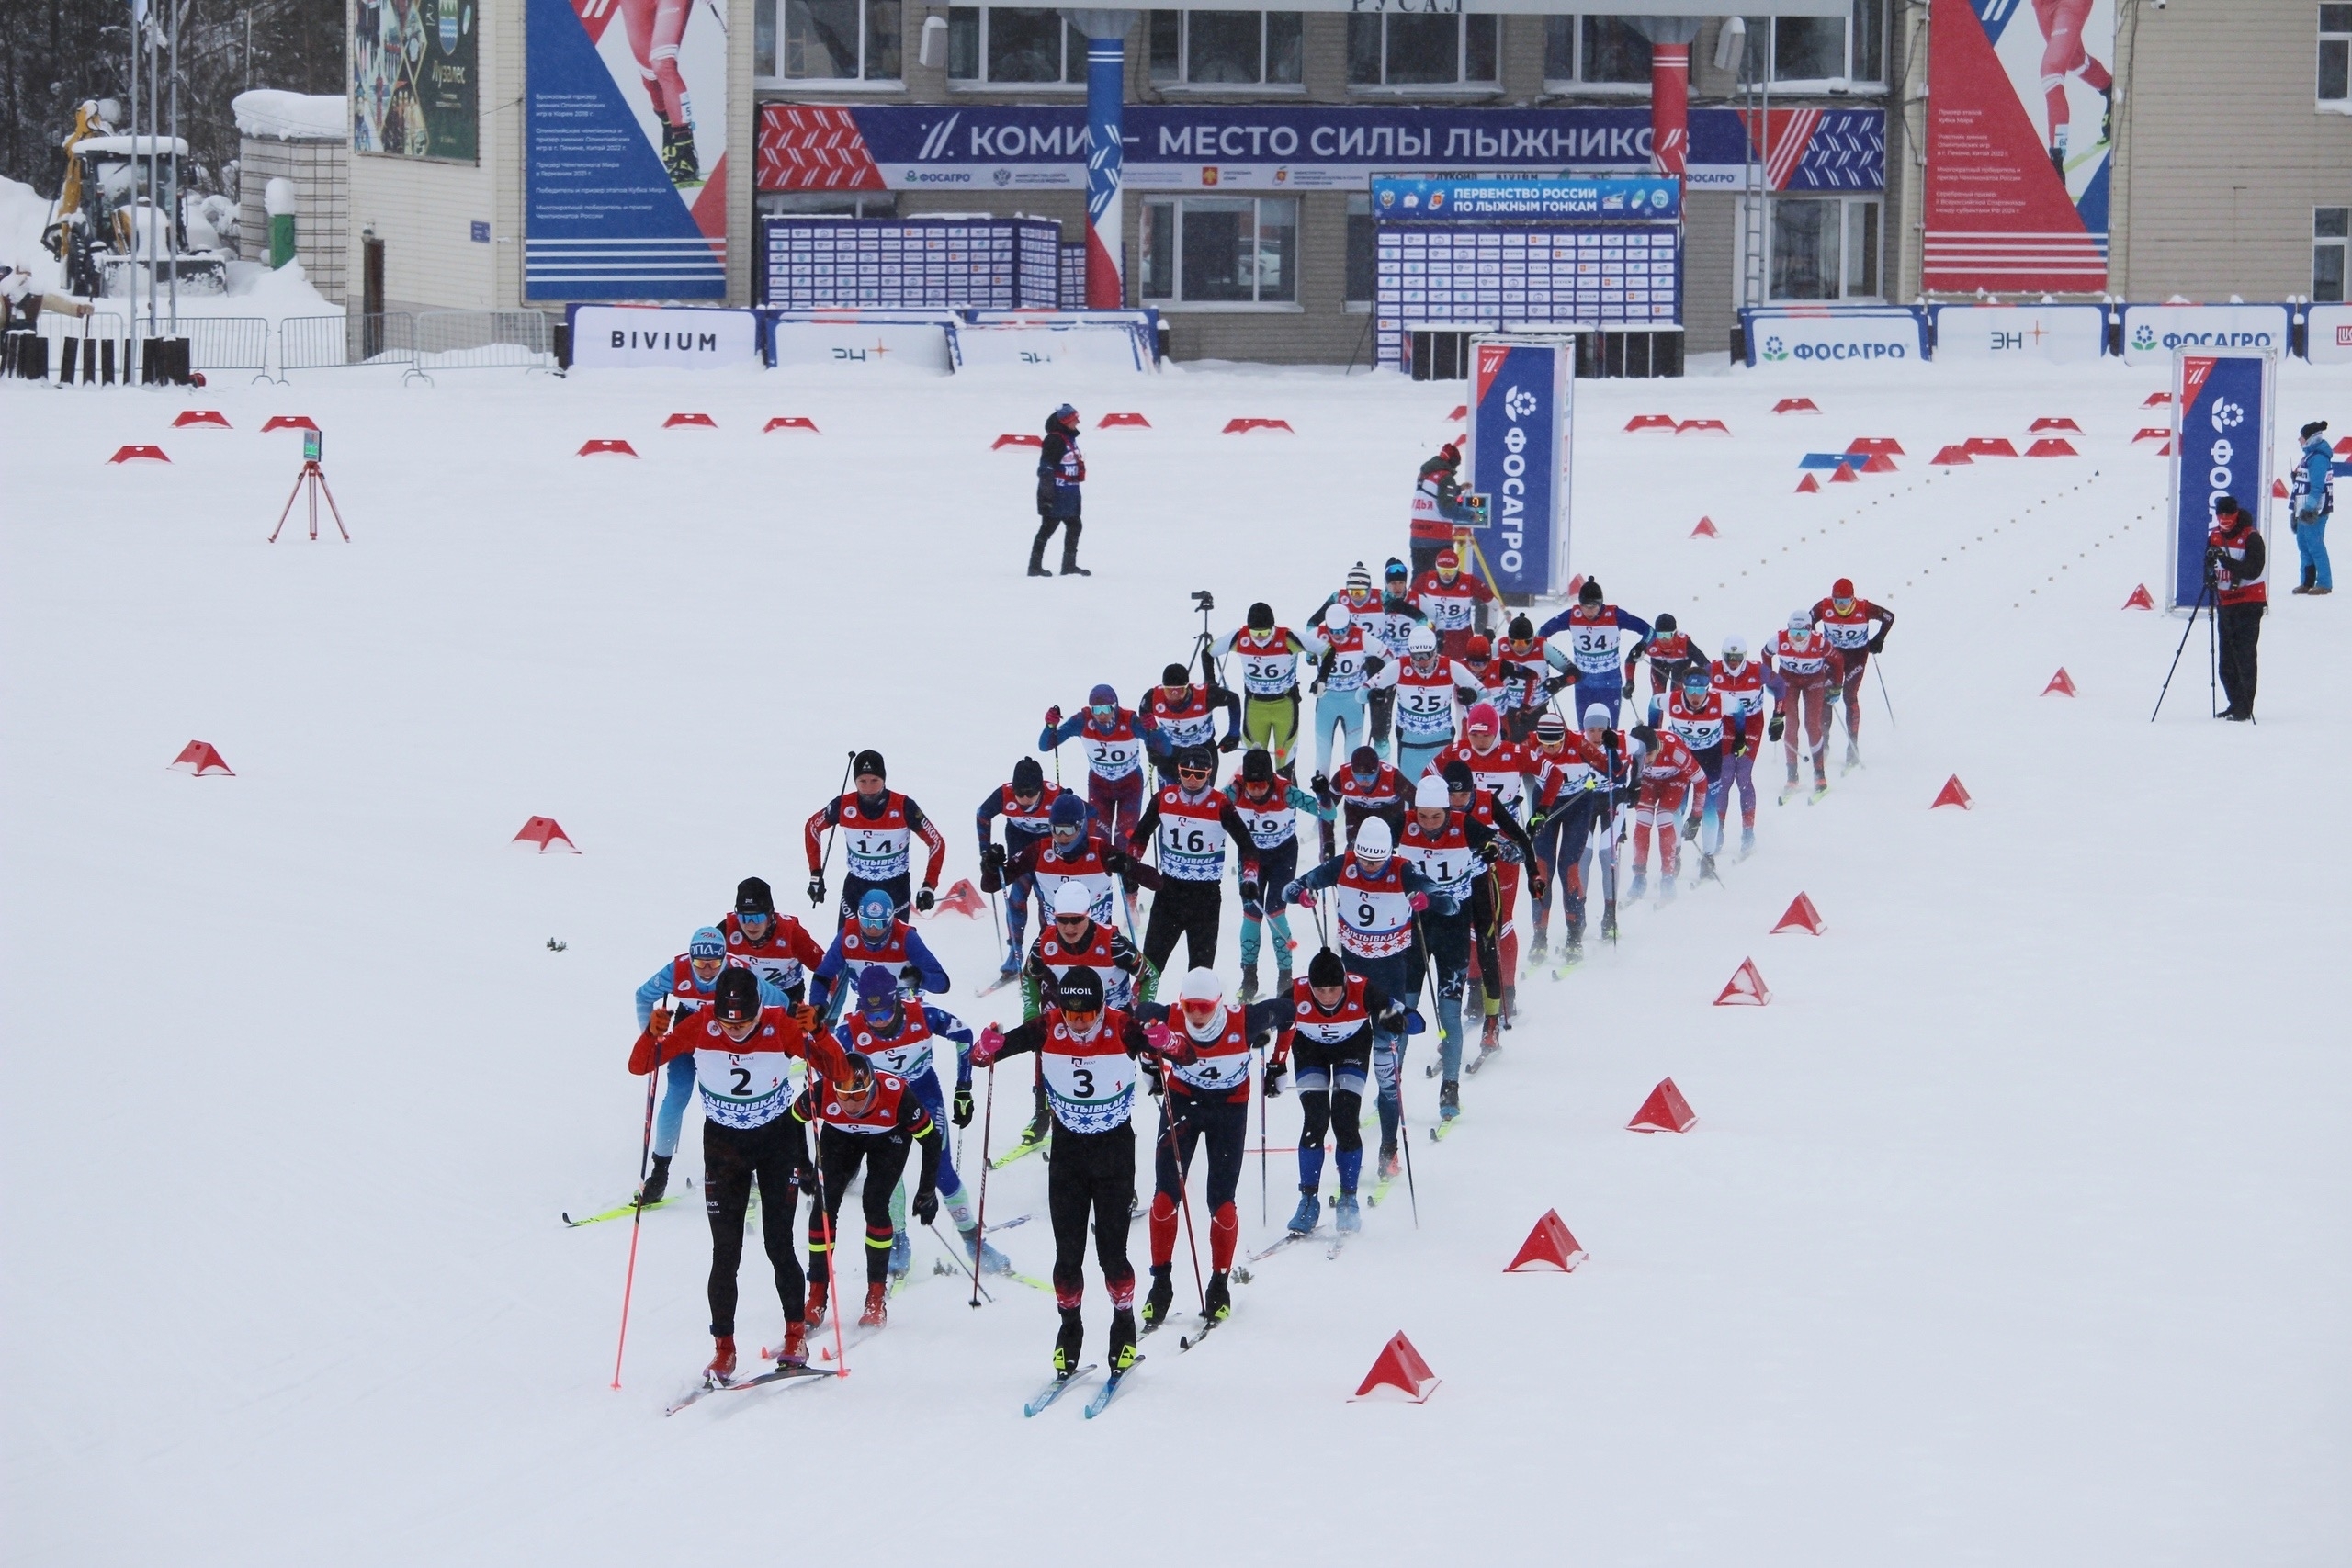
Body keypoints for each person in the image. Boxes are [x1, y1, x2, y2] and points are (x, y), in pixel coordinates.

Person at [628, 966, 826, 1382]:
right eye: (726, 1021)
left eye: (744, 1021)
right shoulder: (699, 1025)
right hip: (723, 1146)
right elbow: (640, 1066)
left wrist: (817, 1031)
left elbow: (837, 1071)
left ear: (760, 1010)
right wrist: (652, 1033)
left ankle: (795, 1336)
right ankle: (724, 1350)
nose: (735, 1030)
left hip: (776, 1141)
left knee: (777, 1241)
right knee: (725, 1251)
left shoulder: (780, 1026)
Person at [972, 965, 1157, 1376]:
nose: (1078, 1023)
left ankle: (1123, 1322)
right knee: (1068, 1257)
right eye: (1071, 1015)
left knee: (1113, 1254)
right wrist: (984, 1049)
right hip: (1069, 1152)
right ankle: (1069, 1327)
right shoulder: (1047, 1026)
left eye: (1087, 1015)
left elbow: (1184, 1053)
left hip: (1113, 1151)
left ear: (1101, 1009)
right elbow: (988, 1056)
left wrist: (1167, 1041)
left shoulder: (1123, 1027)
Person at [1282, 816, 1447, 1181]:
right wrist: (1301, 891)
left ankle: (1389, 1149)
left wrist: (1427, 898)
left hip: (1389, 978)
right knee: (1347, 1051)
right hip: (1349, 981)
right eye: (1364, 861)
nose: (1369, 868)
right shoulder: (1343, 864)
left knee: (1388, 1073)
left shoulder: (1403, 869)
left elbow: (1440, 896)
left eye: (1377, 862)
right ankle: (1347, 1118)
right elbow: (1297, 885)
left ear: (1389, 854)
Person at [831, 966, 1006, 1279]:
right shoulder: (849, 1030)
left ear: (895, 1002)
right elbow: (826, 1065)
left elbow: (964, 1034)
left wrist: (963, 1089)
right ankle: (898, 1241)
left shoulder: (921, 1014)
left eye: (884, 1011)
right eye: (871, 1014)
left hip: (925, 1097)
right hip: (883, 1107)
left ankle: (973, 1241)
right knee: (888, 1176)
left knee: (942, 1171)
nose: (879, 1021)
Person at [1138, 969, 1270, 1330]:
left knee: (1222, 1204)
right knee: (1164, 1199)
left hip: (1229, 1109)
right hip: (1182, 1105)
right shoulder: (1170, 1017)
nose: (1196, 1014)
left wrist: (1278, 1061)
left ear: (1218, 1003)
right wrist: (1149, 1060)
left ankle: (1219, 1284)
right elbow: (1137, 1015)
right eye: (1189, 1006)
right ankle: (1160, 1284)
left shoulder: (1244, 1020)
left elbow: (1289, 1010)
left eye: (1204, 1007)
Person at [995, 878, 1156, 1165]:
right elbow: (1030, 975)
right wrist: (1032, 1011)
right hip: (1070, 1022)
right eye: (1062, 921)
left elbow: (1149, 974)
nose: (1068, 928)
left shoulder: (1112, 942)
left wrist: (1142, 1010)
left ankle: (1119, 1180)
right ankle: (1047, 1121)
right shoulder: (1045, 942)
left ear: (1088, 914)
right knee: (1059, 1078)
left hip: (1111, 1028)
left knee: (1108, 1100)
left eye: (1076, 920)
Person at [631, 927, 791, 1205]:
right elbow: (643, 995)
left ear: (725, 959)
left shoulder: (740, 971)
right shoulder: (677, 969)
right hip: (688, 1030)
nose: (706, 970)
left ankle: (746, 1168)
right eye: (700, 964)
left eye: (715, 964)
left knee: (732, 1099)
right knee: (677, 1094)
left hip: (724, 1038)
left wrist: (759, 1030)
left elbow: (781, 1002)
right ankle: (659, 1173)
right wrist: (650, 1035)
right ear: (690, 959)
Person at [1262, 948, 1413, 1235]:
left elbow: (1401, 1014)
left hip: (1351, 1051)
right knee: (1315, 1120)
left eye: (1334, 989)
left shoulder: (1362, 988)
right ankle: (1308, 1200)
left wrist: (1393, 1018)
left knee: (1345, 1121)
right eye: (1320, 990)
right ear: (1311, 986)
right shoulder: (1295, 993)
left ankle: (1348, 1199)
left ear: (1343, 983)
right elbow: (1268, 1023)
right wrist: (1275, 1065)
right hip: (1310, 1053)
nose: (1328, 996)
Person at [794, 1044, 944, 1331]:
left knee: (874, 1203)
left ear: (872, 1086)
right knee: (824, 1206)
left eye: (860, 1096)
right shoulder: (823, 1089)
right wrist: (803, 1165)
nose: (851, 1104)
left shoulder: (897, 1094)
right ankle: (816, 1296)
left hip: (888, 1138)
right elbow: (794, 1120)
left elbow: (931, 1140)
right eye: (845, 1097)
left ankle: (875, 1297)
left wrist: (926, 1191)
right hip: (840, 1137)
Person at [1396, 774, 1519, 1111]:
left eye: (1437, 817)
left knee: (1449, 1013)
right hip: (1414, 931)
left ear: (1448, 812)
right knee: (1402, 1010)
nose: (1429, 824)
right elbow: (1367, 857)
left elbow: (1514, 851)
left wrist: (1493, 851)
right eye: (1423, 816)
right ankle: (1392, 1087)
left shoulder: (1465, 825)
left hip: (1452, 931)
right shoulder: (1402, 824)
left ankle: (1450, 1088)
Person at [1129, 745, 1261, 976]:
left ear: (1209, 773)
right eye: (1185, 773)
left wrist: (1250, 879)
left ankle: (1198, 1009)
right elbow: (1140, 837)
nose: (1192, 780)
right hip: (1168, 894)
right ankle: (1137, 1010)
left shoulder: (1220, 804)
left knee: (1200, 974)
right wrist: (1131, 868)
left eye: (1199, 775)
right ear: (1178, 771)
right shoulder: (1163, 799)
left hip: (1205, 898)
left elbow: (1248, 847)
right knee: (1149, 968)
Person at [1228, 747, 1330, 1003]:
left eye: (1262, 783)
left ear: (1271, 780)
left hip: (1282, 856)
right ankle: (1249, 979)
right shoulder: (1235, 791)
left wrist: (1323, 794)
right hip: (1250, 855)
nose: (1256, 790)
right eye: (1251, 784)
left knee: (1275, 912)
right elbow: (1208, 809)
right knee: (1251, 915)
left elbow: (1328, 813)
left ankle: (1285, 979)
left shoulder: (1285, 792)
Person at [803, 750, 947, 924]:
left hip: (895, 888)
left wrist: (929, 885)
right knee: (847, 946)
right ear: (855, 781)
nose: (869, 788)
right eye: (862, 781)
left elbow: (936, 842)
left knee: (894, 948)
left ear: (884, 779)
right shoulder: (843, 805)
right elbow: (812, 827)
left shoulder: (903, 806)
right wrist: (816, 874)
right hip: (856, 887)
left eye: (874, 781)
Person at [976, 757, 1064, 982]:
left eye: (1030, 794)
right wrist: (986, 853)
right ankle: (1015, 954)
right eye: (1019, 793)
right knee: (1016, 898)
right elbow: (982, 815)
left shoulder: (1056, 796)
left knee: (1046, 902)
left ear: (1041, 789)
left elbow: (1087, 815)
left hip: (1048, 850)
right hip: (1020, 845)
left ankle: (1046, 952)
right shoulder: (1004, 795)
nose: (1024, 799)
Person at [808, 888, 952, 1021]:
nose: (872, 929)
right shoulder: (847, 936)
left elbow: (943, 983)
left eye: (879, 924)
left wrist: (921, 979)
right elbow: (823, 975)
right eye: (866, 922)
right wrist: (817, 1004)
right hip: (870, 1005)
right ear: (859, 918)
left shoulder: (906, 937)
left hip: (904, 1005)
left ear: (891, 921)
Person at [1536, 578, 1652, 728]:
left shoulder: (1615, 615)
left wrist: (1641, 646)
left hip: (1610, 682)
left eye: (1594, 607)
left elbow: (1649, 631)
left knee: (1610, 732)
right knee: (1585, 731)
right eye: (1585, 606)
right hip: (1584, 683)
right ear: (1579, 604)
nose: (1589, 611)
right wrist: (1546, 656)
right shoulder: (1572, 615)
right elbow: (1541, 634)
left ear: (1601, 603)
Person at [1811, 579, 1895, 771]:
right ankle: (1823, 745)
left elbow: (1889, 617)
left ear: (1852, 599)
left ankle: (1852, 748)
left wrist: (1879, 639)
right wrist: (1816, 642)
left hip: (1856, 658)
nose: (1840, 606)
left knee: (1849, 696)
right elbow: (1808, 621)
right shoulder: (1824, 606)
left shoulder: (1864, 607)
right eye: (1837, 602)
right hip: (1833, 657)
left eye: (1845, 602)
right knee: (1828, 697)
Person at [1216, 604, 1310, 773]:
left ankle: (1286, 797)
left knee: (1285, 771)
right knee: (1254, 769)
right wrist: (1210, 681)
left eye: (1265, 633)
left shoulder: (1287, 637)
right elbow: (1208, 652)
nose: (1259, 638)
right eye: (1255, 633)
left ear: (1272, 628)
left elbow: (1326, 650)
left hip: (1285, 705)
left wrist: (1322, 678)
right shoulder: (1240, 637)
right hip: (1255, 706)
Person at [1663, 664, 1730, 882]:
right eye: (1690, 690)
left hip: (1710, 760)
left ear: (1707, 689)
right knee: (1676, 806)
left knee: (1709, 807)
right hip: (1681, 760)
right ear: (1683, 688)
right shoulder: (1671, 700)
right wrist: (1654, 732)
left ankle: (1708, 858)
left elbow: (1739, 711)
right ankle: (1675, 853)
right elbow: (1653, 704)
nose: (1694, 696)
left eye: (1700, 691)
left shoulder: (1721, 701)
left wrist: (1737, 736)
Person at [1303, 604, 1384, 779]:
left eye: (1342, 630)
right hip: (1327, 700)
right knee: (1323, 749)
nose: (1338, 635)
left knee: (1352, 750)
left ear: (1349, 624)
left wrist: (1377, 683)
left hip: (1353, 700)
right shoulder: (1318, 633)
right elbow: (1292, 648)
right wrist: (1307, 657)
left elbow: (1388, 655)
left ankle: (1351, 789)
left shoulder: (1360, 635)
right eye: (1333, 631)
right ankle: (1322, 792)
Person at [718, 877, 827, 1007]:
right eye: (744, 917)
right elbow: (702, 968)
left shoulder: (791, 933)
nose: (750, 926)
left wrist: (820, 1008)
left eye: (757, 917)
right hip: (743, 1001)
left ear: (770, 914)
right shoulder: (727, 930)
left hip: (787, 1000)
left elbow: (826, 971)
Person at [1363, 560, 1431, 760]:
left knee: (1411, 713)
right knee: (1381, 717)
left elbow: (1433, 620)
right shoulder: (1379, 601)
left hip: (1412, 666)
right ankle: (1382, 756)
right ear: (1386, 583)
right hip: (1384, 666)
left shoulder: (1418, 600)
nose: (1397, 587)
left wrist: (1426, 638)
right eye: (1393, 583)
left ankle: (1413, 749)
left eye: (1401, 582)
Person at [1764, 612, 1835, 801]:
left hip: (1814, 681)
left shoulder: (1819, 642)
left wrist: (1836, 685)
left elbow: (1837, 660)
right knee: (1791, 724)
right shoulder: (1779, 639)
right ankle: (1792, 776)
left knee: (1812, 724)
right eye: (1793, 631)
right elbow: (1765, 653)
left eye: (1802, 633)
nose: (1797, 637)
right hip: (1789, 680)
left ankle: (1819, 775)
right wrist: (1771, 679)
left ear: (1809, 630)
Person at [1626, 722, 1701, 902]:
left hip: (1674, 780)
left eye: (1649, 755)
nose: (1645, 760)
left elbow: (1701, 779)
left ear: (1657, 748)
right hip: (1647, 782)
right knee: (1643, 820)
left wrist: (1696, 815)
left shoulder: (1674, 750)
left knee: (1664, 818)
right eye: (1640, 756)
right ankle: (1639, 877)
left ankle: (1668, 877)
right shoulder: (1631, 750)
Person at [2209, 496, 2268, 721]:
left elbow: (2253, 569)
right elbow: (2209, 563)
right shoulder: (2214, 536)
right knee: (2226, 662)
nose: (2224, 519)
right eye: (2220, 515)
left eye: (2228, 515)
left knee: (2244, 657)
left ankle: (2245, 707)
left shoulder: (2251, 537)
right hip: (2225, 603)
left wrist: (2228, 562)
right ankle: (2234, 703)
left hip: (2249, 603)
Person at [1710, 636, 1767, 860]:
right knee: (1724, 778)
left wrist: (1779, 716)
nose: (1733, 662)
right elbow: (1690, 683)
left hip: (1752, 724)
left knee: (1743, 776)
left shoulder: (1757, 671)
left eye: (1737, 658)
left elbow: (1780, 686)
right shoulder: (1713, 669)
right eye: (1729, 657)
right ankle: (1718, 832)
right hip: (1724, 725)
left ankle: (1747, 832)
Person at [1139, 661, 1241, 785]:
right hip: (1171, 752)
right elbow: (1144, 714)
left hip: (1203, 751)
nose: (1174, 696)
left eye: (1179, 690)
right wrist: (1152, 745)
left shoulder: (1205, 696)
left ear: (1188, 688)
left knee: (1201, 799)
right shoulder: (1153, 698)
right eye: (1169, 691)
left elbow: (1233, 699)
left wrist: (1233, 734)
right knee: (1169, 798)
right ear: (1163, 687)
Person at [1390, 626, 1464, 790]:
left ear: (1435, 650)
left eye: (1427, 655)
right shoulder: (1400, 666)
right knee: (1411, 790)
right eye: (1416, 656)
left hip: (1441, 738)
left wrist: (1468, 695)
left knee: (1442, 788)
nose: (1422, 660)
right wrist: (1377, 693)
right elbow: (1363, 692)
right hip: (1410, 741)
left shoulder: (1449, 666)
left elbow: (1481, 692)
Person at [1316, 744, 1409, 863]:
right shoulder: (1342, 776)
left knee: (1382, 851)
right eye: (1359, 777)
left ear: (1378, 770)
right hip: (1357, 813)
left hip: (1389, 813)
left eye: (1370, 777)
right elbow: (1326, 809)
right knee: (1354, 850)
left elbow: (1416, 802)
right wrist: (1328, 843)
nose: (1364, 782)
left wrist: (1407, 832)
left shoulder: (1393, 777)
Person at [1030, 403, 1088, 578]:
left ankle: (1069, 565)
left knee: (1075, 525)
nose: (1077, 422)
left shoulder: (1069, 438)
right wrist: (1047, 497)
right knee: (1047, 529)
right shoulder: (1055, 440)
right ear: (1064, 422)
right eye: (1073, 419)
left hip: (1069, 494)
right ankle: (1034, 567)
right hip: (1056, 494)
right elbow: (1046, 469)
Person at [1410, 547, 1496, 658]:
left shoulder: (1469, 582)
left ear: (1458, 568)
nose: (1446, 575)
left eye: (1450, 571)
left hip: (1461, 638)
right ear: (1436, 568)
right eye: (1442, 570)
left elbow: (1494, 604)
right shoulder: (1425, 579)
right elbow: (1409, 604)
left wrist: (1490, 628)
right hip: (1432, 635)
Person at [1408, 443, 1468, 577]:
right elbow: (1447, 510)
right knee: (1441, 583)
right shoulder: (1446, 477)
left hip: (1417, 537)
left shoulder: (1424, 474)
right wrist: (1471, 515)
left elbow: (1434, 494)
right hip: (1437, 539)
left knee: (1419, 581)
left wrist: (1458, 489)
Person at [1638, 613, 1709, 727]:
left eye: (1668, 635)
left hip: (1681, 666)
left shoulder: (1685, 643)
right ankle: (1654, 731)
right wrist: (1629, 682)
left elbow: (1704, 663)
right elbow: (1631, 658)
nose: (1664, 639)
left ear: (1675, 633)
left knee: (1678, 697)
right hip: (1659, 665)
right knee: (1658, 696)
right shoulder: (1650, 640)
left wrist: (1707, 680)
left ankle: (1679, 728)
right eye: (1660, 635)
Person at [2290, 419, 2335, 595]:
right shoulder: (2308, 456)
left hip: (2314, 511)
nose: (2299, 440)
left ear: (2310, 439)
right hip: (2303, 509)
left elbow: (2317, 487)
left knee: (2315, 545)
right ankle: (2307, 582)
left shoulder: (2318, 459)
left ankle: (2324, 582)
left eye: (2302, 437)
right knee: (2303, 544)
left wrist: (2309, 508)